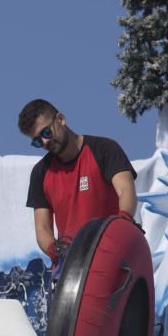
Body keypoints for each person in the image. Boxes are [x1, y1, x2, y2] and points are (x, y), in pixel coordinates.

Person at [18, 99, 137, 267]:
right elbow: (42, 229)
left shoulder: (104, 149)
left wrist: (122, 221)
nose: (45, 142)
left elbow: (126, 190)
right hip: (73, 269)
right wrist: (56, 251)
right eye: (37, 141)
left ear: (60, 119)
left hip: (116, 259)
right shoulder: (40, 172)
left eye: (46, 133)